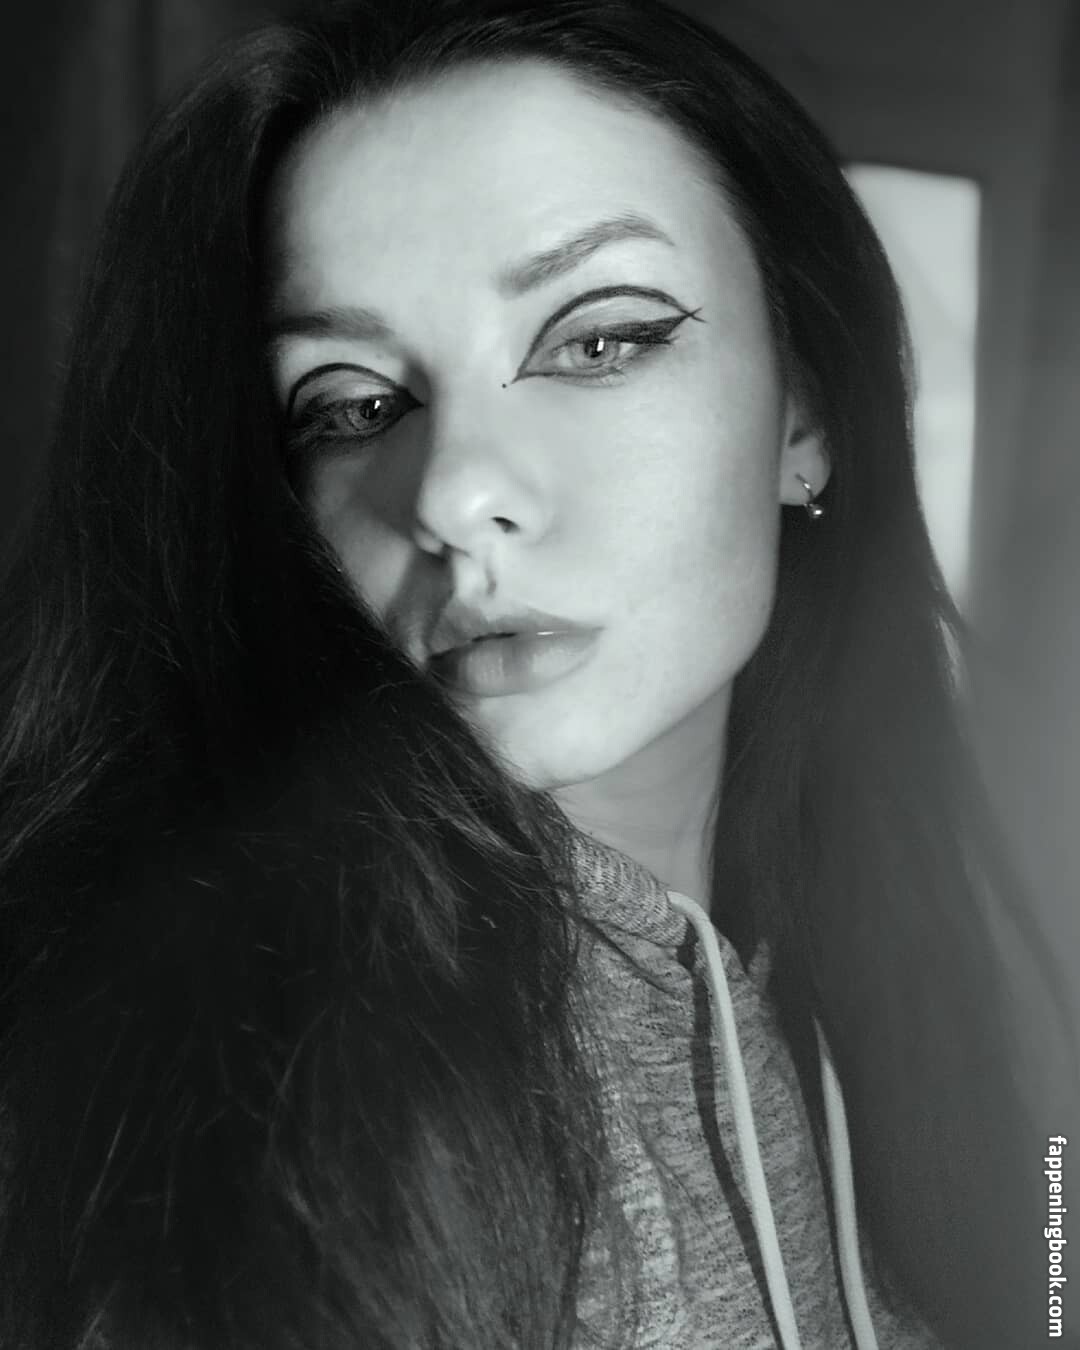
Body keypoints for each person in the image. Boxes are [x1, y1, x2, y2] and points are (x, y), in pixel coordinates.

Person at [0, 0, 1070, 1346]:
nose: (454, 493)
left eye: (598, 340)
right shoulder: (205, 1119)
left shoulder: (914, 974)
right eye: (351, 404)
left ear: (805, 411)